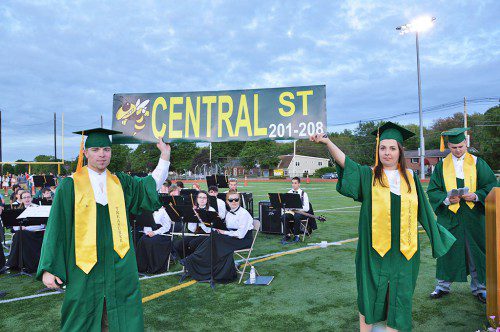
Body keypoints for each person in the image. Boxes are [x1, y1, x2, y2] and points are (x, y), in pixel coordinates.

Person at [310, 122, 456, 332]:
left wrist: (439, 237)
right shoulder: (369, 175)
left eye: (392, 148)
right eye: (383, 148)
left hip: (405, 251)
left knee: (401, 296)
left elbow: (424, 211)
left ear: (400, 151)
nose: (387, 153)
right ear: (378, 150)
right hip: (373, 250)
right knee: (369, 292)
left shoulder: (411, 177)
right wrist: (327, 142)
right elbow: (346, 164)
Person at [36, 128, 171, 331]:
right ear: (86, 152)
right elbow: (56, 229)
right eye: (96, 149)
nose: (102, 154)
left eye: (106, 149)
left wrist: (164, 156)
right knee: (81, 316)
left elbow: (148, 186)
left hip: (119, 265)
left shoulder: (121, 183)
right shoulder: (70, 186)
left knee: (122, 316)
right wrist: (48, 268)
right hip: (83, 268)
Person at [427, 128, 497, 303]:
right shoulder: (442, 166)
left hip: (474, 214)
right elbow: (433, 191)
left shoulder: (478, 163)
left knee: (477, 251)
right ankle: (442, 287)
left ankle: (480, 288)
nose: (457, 150)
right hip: (450, 215)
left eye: (460, 146)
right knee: (447, 250)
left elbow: (491, 185)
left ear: (466, 143)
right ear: (448, 146)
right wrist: (446, 199)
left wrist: (476, 195)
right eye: (453, 147)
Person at [184, 190, 254, 282]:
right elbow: (226, 228)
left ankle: (194, 260)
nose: (234, 202)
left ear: (239, 201)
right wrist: (218, 226)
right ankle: (204, 266)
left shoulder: (244, 213)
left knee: (216, 239)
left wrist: (224, 232)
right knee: (214, 236)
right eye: (231, 200)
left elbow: (240, 235)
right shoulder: (229, 213)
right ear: (227, 201)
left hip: (243, 240)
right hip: (232, 237)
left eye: (236, 200)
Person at [6, 191, 45, 273]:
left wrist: (26, 228)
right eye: (24, 197)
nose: (27, 199)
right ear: (21, 199)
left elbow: (41, 225)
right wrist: (21, 227)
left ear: (31, 198)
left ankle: (17, 264)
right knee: (20, 234)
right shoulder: (18, 209)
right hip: (23, 233)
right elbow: (14, 226)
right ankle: (20, 264)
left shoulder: (37, 208)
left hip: (36, 234)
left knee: (21, 234)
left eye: (28, 197)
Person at [172, 190, 214, 259]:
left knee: (192, 244)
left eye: (204, 198)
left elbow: (209, 229)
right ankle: (186, 260)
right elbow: (191, 228)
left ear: (207, 200)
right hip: (195, 233)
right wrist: (191, 215)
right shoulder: (194, 209)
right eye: (200, 197)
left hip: (207, 235)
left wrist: (200, 218)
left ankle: (192, 260)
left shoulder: (211, 210)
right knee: (178, 244)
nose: (202, 199)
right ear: (197, 199)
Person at [135, 206, 173, 274]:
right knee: (142, 240)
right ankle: (141, 267)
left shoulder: (162, 211)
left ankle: (154, 267)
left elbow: (167, 227)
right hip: (151, 234)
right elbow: (146, 227)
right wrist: (148, 233)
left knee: (151, 241)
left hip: (163, 235)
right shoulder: (146, 210)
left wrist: (155, 232)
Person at [280, 176, 310, 244]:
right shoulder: (289, 192)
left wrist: (297, 208)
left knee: (297, 216)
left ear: (299, 184)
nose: (293, 185)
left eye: (295, 183)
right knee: (283, 217)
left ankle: (297, 236)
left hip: (301, 213)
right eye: (292, 183)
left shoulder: (304, 194)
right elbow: (286, 206)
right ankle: (287, 235)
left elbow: (307, 208)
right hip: (291, 212)